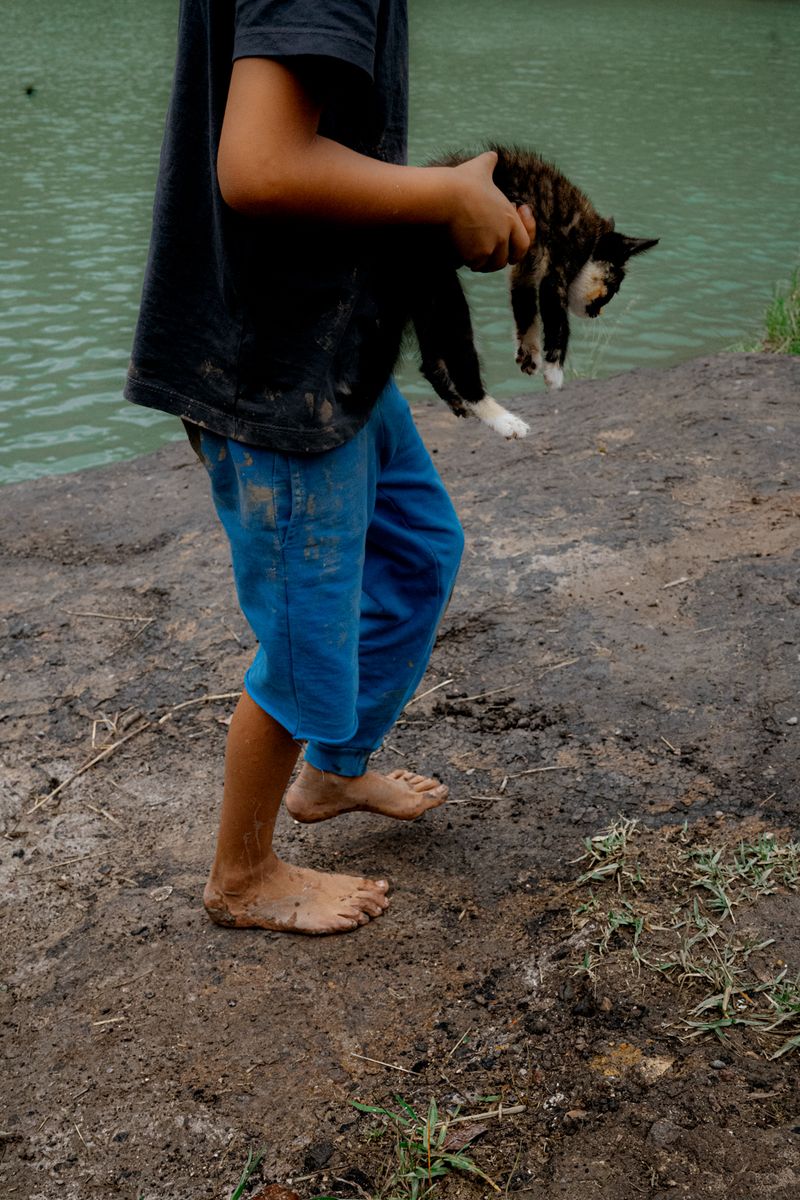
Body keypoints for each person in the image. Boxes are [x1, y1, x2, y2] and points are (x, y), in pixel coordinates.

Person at [125, 0, 535, 936]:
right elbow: (260, 163)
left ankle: (334, 772)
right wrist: (444, 196)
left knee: (421, 549)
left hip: (328, 339)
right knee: (308, 634)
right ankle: (242, 874)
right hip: (275, 364)